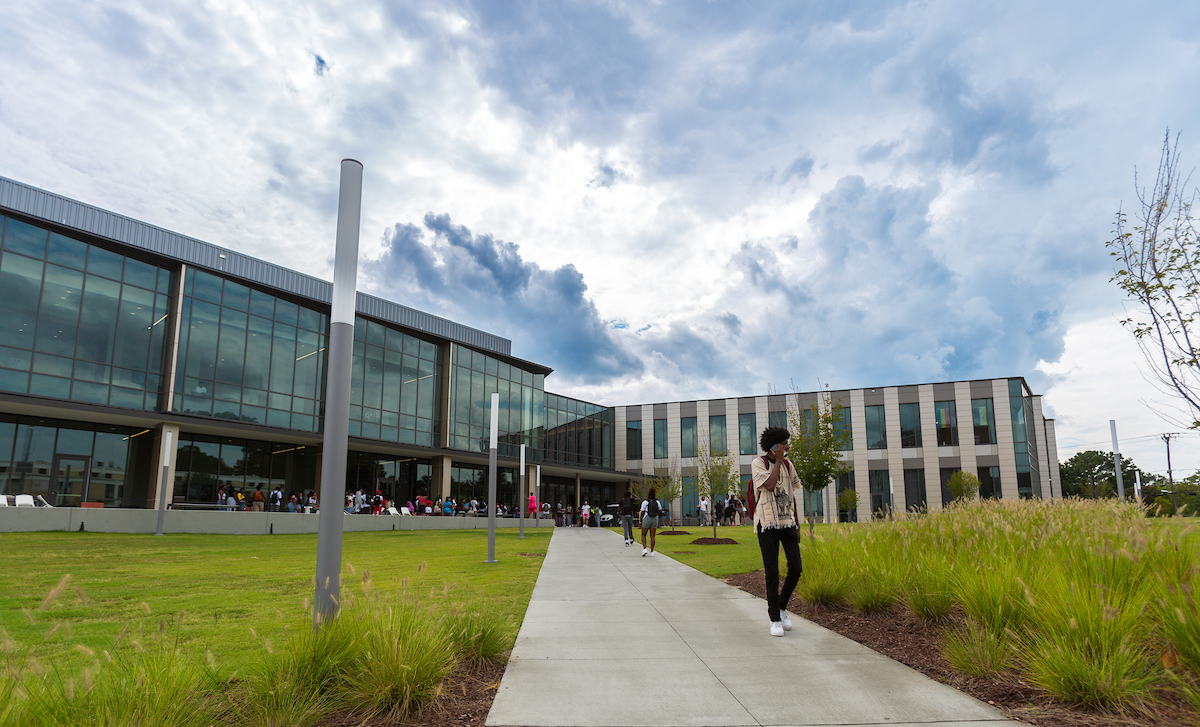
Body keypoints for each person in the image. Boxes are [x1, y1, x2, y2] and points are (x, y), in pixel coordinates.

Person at [753, 425, 802, 637]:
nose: (787, 447)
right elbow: (771, 486)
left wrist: (797, 523)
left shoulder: (789, 465)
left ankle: (781, 607)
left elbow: (792, 494)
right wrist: (778, 461)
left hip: (788, 522)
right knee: (772, 573)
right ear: (774, 446)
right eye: (783, 444)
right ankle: (774, 619)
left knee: (796, 568)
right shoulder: (759, 463)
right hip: (767, 524)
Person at [640, 487, 661, 556]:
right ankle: (652, 551)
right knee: (652, 536)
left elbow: (642, 512)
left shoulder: (645, 502)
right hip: (655, 518)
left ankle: (644, 548)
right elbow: (660, 511)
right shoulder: (657, 502)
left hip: (647, 517)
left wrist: (640, 521)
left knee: (643, 534)